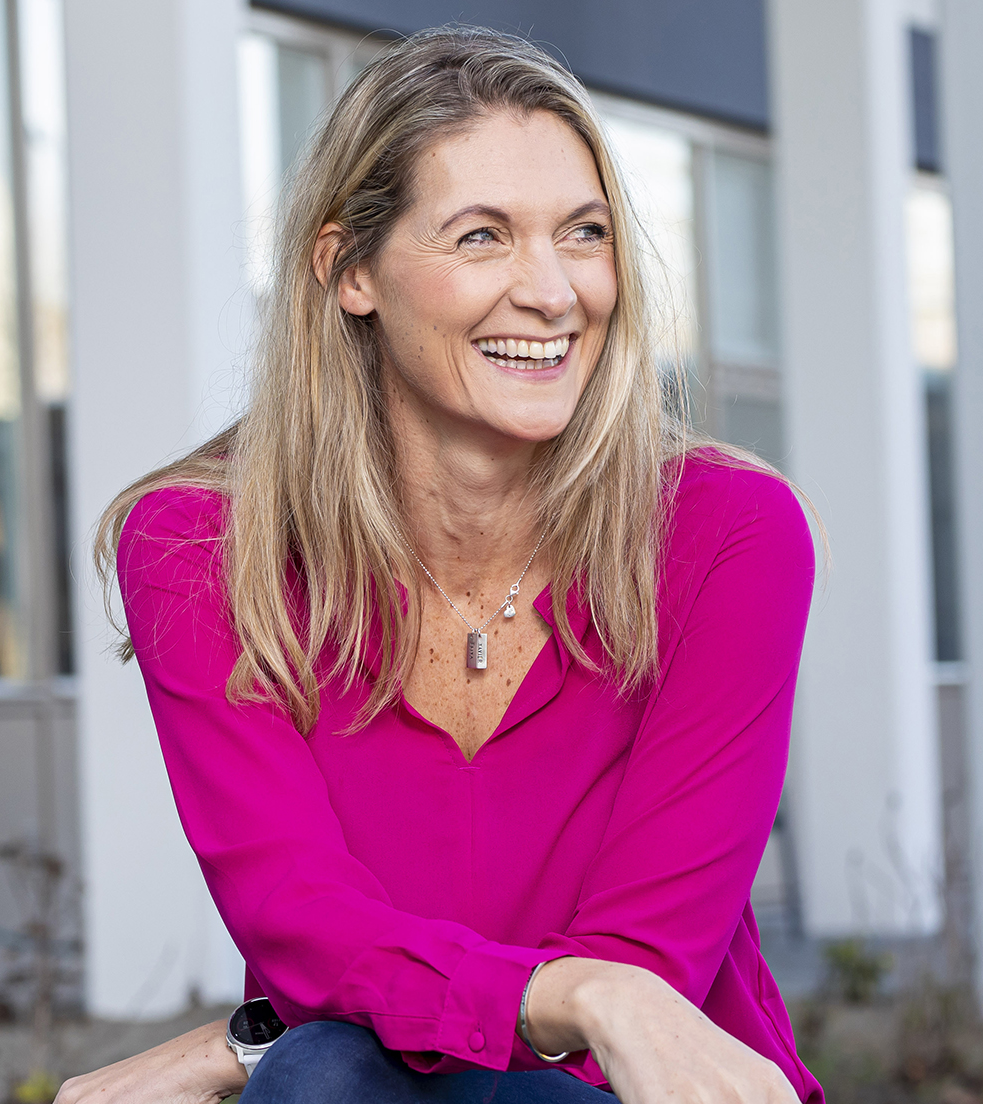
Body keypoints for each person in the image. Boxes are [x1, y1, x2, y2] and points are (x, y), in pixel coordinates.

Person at [63, 25, 820, 1104]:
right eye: (482, 237)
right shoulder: (204, 550)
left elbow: (644, 984)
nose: (553, 291)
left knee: (326, 1066)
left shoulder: (725, 532)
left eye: (584, 233)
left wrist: (242, 1047)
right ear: (349, 270)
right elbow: (303, 926)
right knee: (328, 1073)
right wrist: (574, 994)